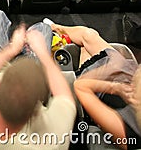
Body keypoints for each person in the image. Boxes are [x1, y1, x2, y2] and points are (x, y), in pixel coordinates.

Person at [0, 9, 76, 149]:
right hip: (25, 80)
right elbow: (65, 97)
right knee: (43, 28)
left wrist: (12, 50)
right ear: (36, 111)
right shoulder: (49, 143)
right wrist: (42, 54)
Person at [46, 20, 141, 149]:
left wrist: (115, 87)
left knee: (84, 47)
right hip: (124, 73)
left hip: (99, 87)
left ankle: (53, 33)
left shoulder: (126, 132)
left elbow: (81, 86)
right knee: (88, 34)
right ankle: (55, 27)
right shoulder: (134, 81)